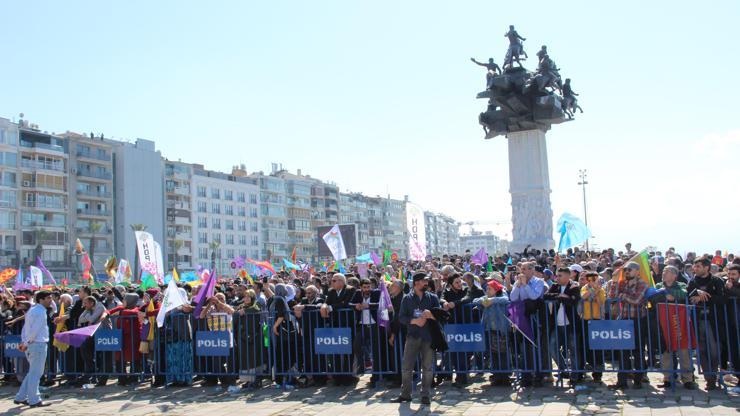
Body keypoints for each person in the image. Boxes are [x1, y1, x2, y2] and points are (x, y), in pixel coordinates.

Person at [391, 272, 439, 405]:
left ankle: (426, 395)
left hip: (428, 337)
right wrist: (414, 321)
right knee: (407, 367)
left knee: (427, 368)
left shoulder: (433, 297)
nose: (427, 283)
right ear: (417, 282)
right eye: (424, 281)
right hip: (412, 336)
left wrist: (431, 315)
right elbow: (401, 317)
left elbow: (441, 316)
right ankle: (405, 394)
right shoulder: (407, 299)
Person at [653, 266, 695, 389]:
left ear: (674, 275)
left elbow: (684, 293)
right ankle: (668, 378)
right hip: (663, 321)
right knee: (666, 350)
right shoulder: (658, 285)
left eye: (667, 272)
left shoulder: (680, 284)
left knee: (683, 350)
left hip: (679, 321)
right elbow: (654, 296)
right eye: (664, 271)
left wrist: (669, 294)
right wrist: (664, 294)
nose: (664, 273)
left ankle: (687, 379)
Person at [687, 257, 726, 390]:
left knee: (714, 351)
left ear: (706, 267)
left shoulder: (716, 281)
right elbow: (687, 295)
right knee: (701, 350)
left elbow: (722, 299)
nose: (695, 269)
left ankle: (714, 374)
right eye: (694, 266)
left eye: (698, 266)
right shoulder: (693, 281)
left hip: (713, 320)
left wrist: (704, 297)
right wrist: (696, 292)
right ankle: (709, 378)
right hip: (698, 320)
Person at [610, 261, 649, 389]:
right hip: (625, 320)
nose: (627, 271)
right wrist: (615, 281)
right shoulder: (622, 284)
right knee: (623, 351)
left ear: (637, 272)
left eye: (630, 269)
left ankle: (638, 379)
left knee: (638, 350)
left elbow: (637, 300)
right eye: (625, 270)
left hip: (638, 320)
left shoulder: (642, 284)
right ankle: (622, 381)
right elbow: (613, 297)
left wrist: (624, 296)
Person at [14, 290, 53, 408]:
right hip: (37, 344)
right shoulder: (40, 311)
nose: (50, 300)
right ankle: (34, 399)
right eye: (48, 298)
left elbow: (26, 329)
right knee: (36, 374)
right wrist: (26, 342)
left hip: (32, 344)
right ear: (41, 300)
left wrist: (25, 342)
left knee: (32, 373)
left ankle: (20, 397)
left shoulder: (33, 310)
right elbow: (34, 330)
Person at [544, 267, 581, 385]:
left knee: (573, 350)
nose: (557, 278)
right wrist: (560, 296)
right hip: (556, 324)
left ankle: (575, 374)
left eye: (560, 276)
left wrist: (562, 297)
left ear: (567, 276)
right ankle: (564, 369)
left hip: (571, 324)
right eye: (556, 275)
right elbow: (546, 296)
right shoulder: (555, 286)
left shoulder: (574, 287)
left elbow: (572, 300)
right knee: (552, 347)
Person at [472, 279, 511, 385]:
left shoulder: (501, 297)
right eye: (487, 289)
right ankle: (497, 375)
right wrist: (484, 301)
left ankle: (505, 376)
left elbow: (506, 299)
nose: (487, 291)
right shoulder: (486, 298)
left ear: (495, 290)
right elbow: (475, 300)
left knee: (502, 353)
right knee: (493, 354)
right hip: (489, 329)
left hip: (501, 330)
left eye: (489, 289)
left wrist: (492, 300)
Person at [580, 271, 606, 383]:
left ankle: (598, 372)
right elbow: (584, 296)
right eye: (589, 279)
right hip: (586, 319)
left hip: (597, 319)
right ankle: (590, 365)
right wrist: (593, 290)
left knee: (598, 346)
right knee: (586, 345)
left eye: (594, 279)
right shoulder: (584, 288)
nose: (592, 281)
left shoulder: (602, 289)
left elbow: (600, 302)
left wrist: (596, 291)